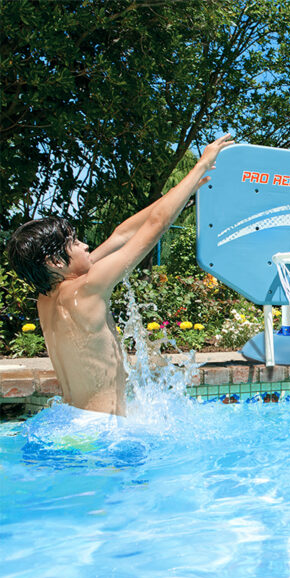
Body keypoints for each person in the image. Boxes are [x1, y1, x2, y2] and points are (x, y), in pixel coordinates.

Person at [7, 134, 234, 416]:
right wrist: (201, 165)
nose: (86, 245)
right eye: (75, 243)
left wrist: (186, 190)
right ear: (55, 261)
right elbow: (157, 224)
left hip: (73, 420)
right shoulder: (88, 286)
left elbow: (121, 235)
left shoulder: (50, 295)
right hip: (101, 432)